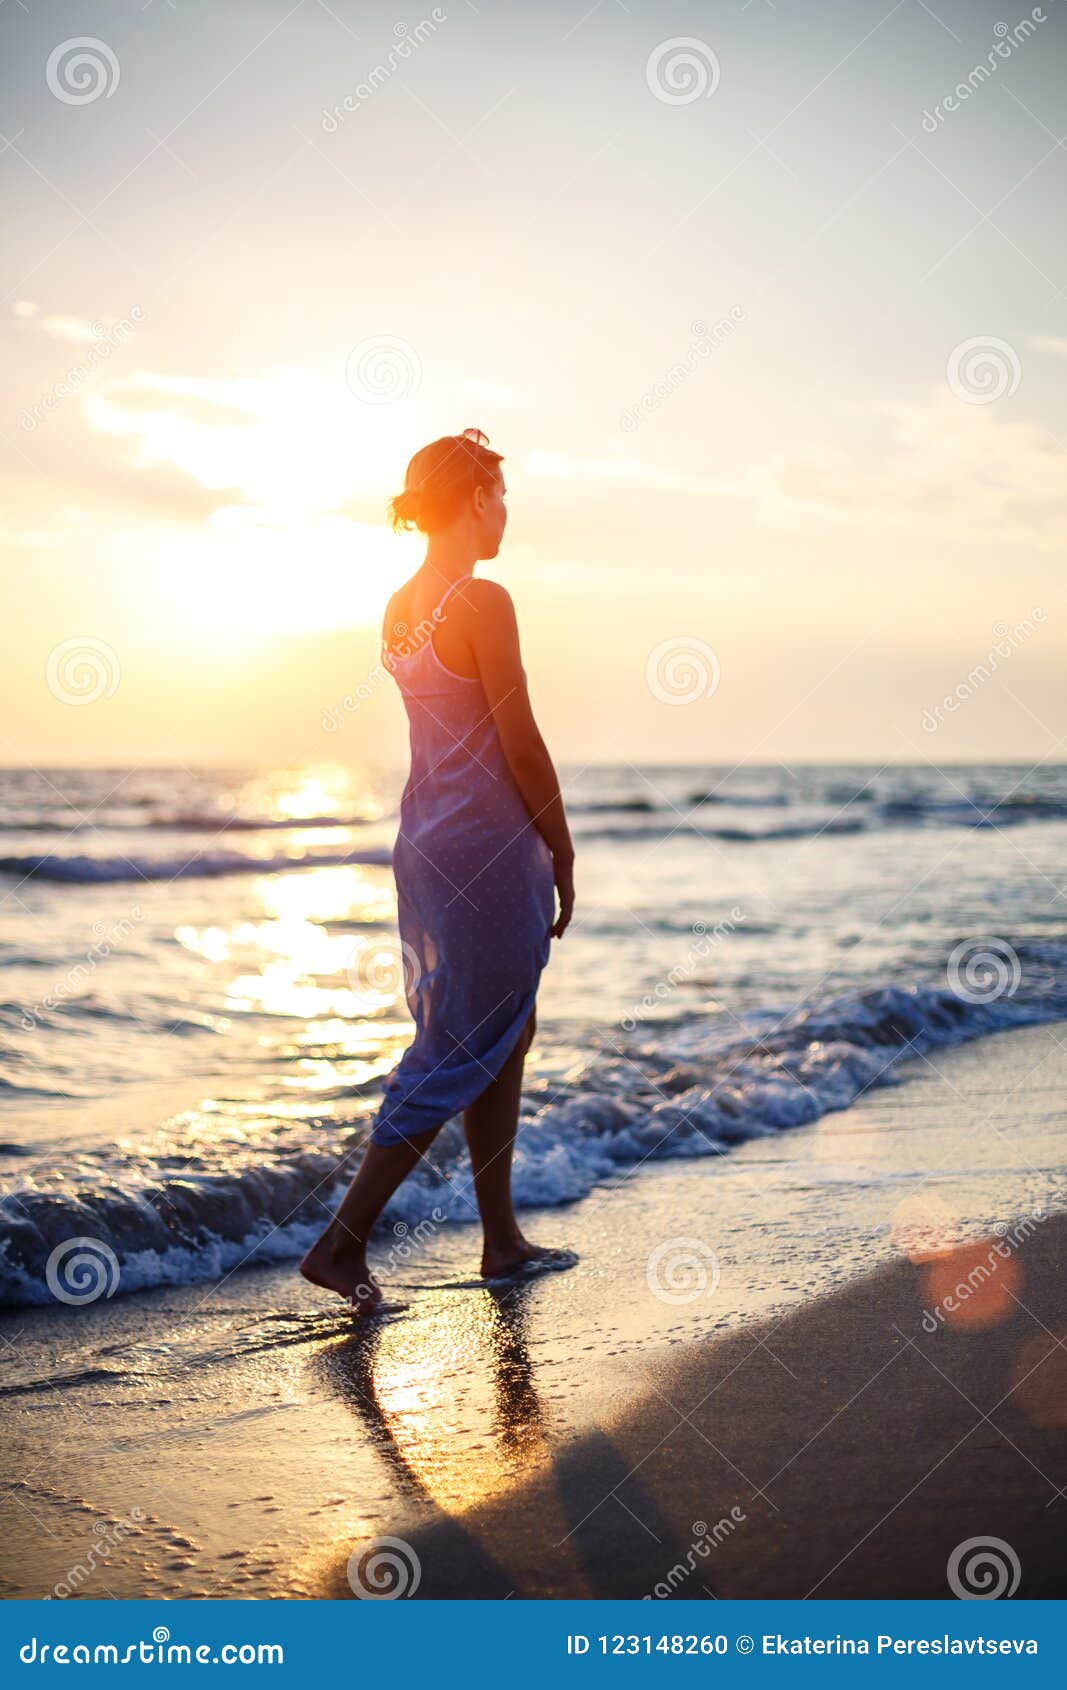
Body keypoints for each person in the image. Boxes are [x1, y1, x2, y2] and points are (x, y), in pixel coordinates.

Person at [301, 429, 575, 1311]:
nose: (504, 512)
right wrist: (561, 847)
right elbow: (519, 743)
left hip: (426, 843)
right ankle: (342, 1245)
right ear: (467, 501)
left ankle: (500, 1241)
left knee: (501, 1032)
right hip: (487, 851)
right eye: (497, 494)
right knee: (454, 1044)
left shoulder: (397, 605)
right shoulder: (482, 601)